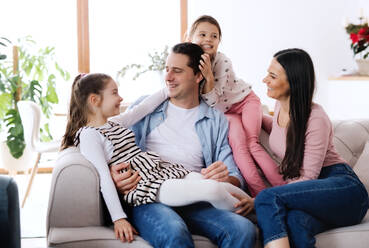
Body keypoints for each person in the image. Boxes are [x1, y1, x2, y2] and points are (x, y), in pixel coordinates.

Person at [60, 72, 252, 244]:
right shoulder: (88, 135)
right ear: (95, 100)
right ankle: (260, 212)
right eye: (114, 93)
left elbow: (143, 108)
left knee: (222, 186)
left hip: (162, 170)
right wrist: (118, 218)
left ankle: (259, 209)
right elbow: (103, 177)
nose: (121, 98)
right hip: (146, 184)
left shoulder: (114, 123)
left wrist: (170, 87)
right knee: (212, 189)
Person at [110, 42, 257, 248]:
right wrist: (113, 175)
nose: (168, 77)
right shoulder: (146, 107)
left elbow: (234, 175)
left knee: (243, 230)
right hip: (152, 197)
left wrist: (226, 177)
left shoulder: (215, 119)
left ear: (198, 76)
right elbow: (112, 145)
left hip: (195, 198)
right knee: (174, 232)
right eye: (167, 69)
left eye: (177, 71)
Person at [251, 48, 369, 248]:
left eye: (272, 76)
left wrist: (256, 202)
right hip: (311, 197)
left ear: (293, 82)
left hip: (343, 191)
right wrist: (245, 114)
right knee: (295, 223)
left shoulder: (316, 118)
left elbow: (307, 178)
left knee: (265, 197)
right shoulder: (280, 107)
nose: (265, 80)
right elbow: (281, 131)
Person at [185, 15, 285, 196]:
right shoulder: (188, 64)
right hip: (227, 113)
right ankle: (259, 196)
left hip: (245, 101)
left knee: (251, 143)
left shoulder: (222, 62)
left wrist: (208, 75)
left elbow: (212, 100)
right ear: (189, 38)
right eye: (202, 34)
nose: (208, 39)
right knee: (239, 148)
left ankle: (283, 189)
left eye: (214, 36)